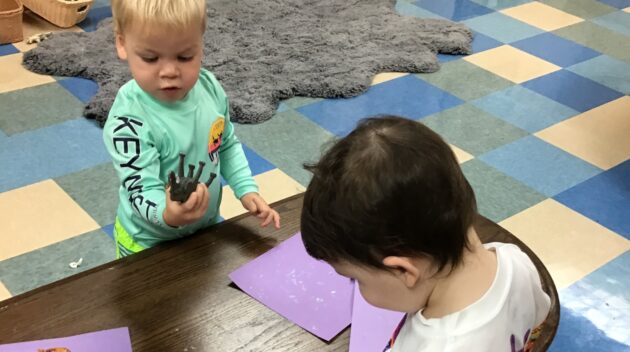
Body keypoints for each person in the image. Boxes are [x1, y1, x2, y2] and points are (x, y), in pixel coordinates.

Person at [300, 116, 550, 351]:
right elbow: (538, 324)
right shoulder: (515, 260)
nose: (357, 289)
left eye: (356, 280)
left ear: (404, 270)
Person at [103, 0, 280, 258]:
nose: (170, 71)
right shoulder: (130, 121)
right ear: (122, 44)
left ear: (201, 45)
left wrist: (245, 188)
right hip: (147, 243)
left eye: (185, 57)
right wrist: (168, 213)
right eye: (151, 58)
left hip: (204, 229)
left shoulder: (209, 88)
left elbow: (226, 143)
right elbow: (140, 188)